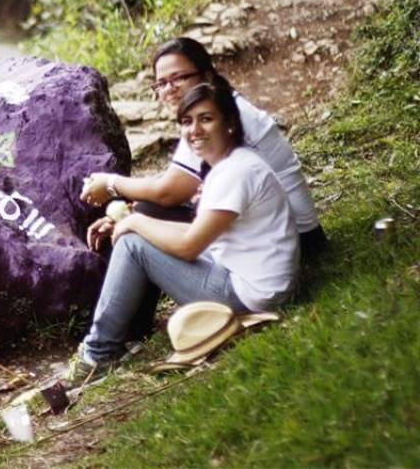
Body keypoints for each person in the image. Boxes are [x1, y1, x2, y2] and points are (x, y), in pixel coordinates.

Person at [68, 82, 299, 382]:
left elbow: (189, 245)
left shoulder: (235, 173)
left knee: (131, 244)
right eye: (187, 122)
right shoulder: (230, 165)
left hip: (251, 295)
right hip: (255, 279)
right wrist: (130, 221)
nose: (194, 130)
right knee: (138, 234)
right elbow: (197, 233)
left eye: (206, 119)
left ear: (230, 123)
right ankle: (108, 344)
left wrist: (133, 223)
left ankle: (96, 356)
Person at [81, 37, 326, 256]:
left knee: (145, 218)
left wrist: (111, 185)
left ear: (207, 76)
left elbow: (168, 192)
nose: (169, 89)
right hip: (280, 229)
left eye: (178, 78)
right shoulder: (218, 108)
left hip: (293, 241)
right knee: (142, 213)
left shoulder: (219, 119)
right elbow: (181, 182)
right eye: (161, 83)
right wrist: (124, 212)